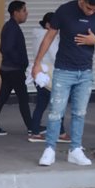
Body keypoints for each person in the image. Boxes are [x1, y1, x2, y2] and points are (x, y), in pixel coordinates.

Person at [34, 0, 95, 167]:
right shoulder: (65, 10)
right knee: (56, 112)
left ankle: (75, 150)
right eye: (88, 8)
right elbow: (49, 37)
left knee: (79, 113)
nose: (91, 12)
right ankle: (49, 150)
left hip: (86, 72)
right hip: (63, 71)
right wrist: (37, 63)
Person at [0, 0, 33, 136]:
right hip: (14, 70)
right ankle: (31, 127)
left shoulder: (11, 26)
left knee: (2, 97)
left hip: (9, 69)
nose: (26, 13)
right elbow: (6, 49)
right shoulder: (12, 28)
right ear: (15, 13)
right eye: (24, 10)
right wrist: (20, 63)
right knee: (23, 98)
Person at [27, 12, 69, 144]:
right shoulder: (48, 37)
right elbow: (56, 56)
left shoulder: (37, 36)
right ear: (48, 25)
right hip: (49, 75)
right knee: (58, 104)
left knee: (41, 105)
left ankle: (34, 132)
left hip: (39, 75)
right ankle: (60, 133)